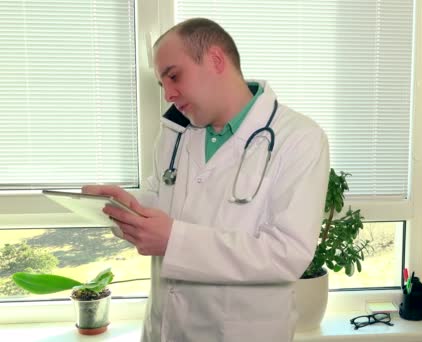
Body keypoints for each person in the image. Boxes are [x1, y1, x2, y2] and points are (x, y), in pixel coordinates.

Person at [83, 18, 329, 342]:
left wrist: (175, 241)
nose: (169, 94)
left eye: (174, 76)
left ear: (215, 60)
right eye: (162, 84)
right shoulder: (175, 132)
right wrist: (129, 208)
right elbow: (165, 199)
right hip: (164, 329)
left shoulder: (299, 138)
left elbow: (287, 254)